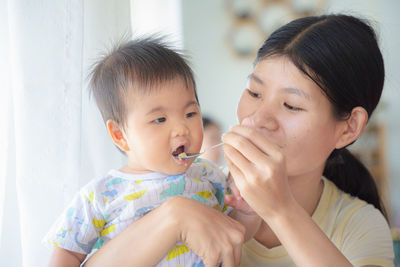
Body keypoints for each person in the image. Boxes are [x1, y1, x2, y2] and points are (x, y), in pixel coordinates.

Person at [78, 14, 394, 267]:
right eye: (254, 93)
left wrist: (280, 209)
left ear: (349, 128)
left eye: (291, 106)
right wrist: (175, 215)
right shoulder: (197, 189)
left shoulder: (359, 226)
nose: (257, 118)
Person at [43, 36, 260, 266]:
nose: (181, 129)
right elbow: (65, 254)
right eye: (159, 119)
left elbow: (231, 237)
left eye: (190, 114)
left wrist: (248, 212)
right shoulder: (100, 195)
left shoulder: (209, 175)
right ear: (119, 135)